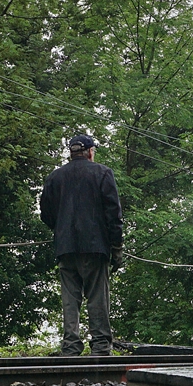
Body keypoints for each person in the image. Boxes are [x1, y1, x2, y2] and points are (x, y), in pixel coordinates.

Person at [40, 134, 124, 356]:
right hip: (95, 247)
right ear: (89, 152)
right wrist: (116, 247)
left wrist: (62, 229)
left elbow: (46, 214)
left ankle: (71, 345)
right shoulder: (103, 173)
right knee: (97, 297)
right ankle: (100, 345)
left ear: (72, 152)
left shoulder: (54, 177)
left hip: (65, 247)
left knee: (70, 298)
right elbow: (113, 214)